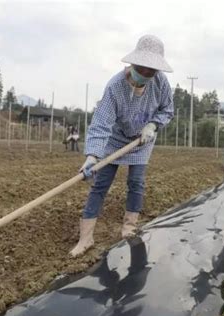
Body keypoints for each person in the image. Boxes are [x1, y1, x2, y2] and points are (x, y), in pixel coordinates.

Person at [70, 35, 174, 257]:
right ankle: (86, 238)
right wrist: (92, 155)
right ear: (133, 63)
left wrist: (153, 125)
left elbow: (167, 109)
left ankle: (129, 228)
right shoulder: (115, 87)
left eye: (151, 71)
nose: (146, 75)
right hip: (114, 140)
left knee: (136, 182)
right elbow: (100, 124)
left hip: (142, 140)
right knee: (100, 185)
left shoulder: (160, 82)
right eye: (142, 69)